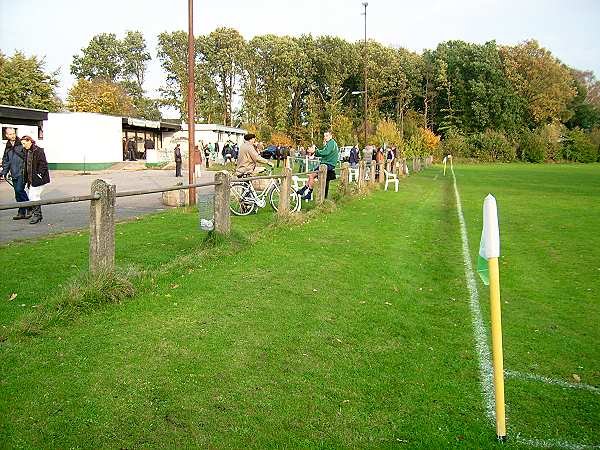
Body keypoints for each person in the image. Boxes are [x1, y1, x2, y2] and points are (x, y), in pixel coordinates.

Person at [297, 131, 339, 200]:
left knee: (311, 175)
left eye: (327, 136)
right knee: (311, 175)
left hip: (328, 164)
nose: (325, 137)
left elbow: (326, 152)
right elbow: (325, 152)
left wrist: (314, 151)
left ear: (331, 136)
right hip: (327, 164)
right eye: (325, 136)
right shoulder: (330, 143)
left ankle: (309, 193)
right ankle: (303, 190)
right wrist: (315, 151)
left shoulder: (331, 143)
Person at [1, 127, 31, 220]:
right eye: (10, 134)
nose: (12, 135)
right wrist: (4, 172)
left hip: (22, 172)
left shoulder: (21, 144)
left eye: (13, 133)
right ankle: (21, 212)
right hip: (13, 173)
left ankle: (30, 207)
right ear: (6, 135)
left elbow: (28, 157)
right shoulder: (8, 147)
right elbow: (6, 161)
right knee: (17, 193)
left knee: (19, 190)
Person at [21, 136, 50, 224]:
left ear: (29, 141)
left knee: (34, 196)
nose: (23, 145)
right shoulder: (26, 151)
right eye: (22, 144)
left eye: (24, 143)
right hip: (31, 179)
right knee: (33, 196)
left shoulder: (39, 150)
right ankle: (38, 215)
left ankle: (37, 215)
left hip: (38, 179)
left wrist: (39, 174)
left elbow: (43, 164)